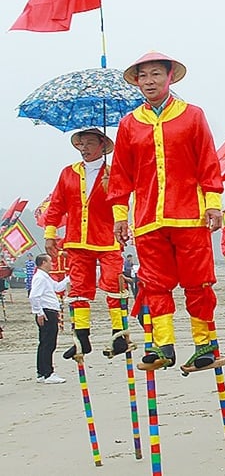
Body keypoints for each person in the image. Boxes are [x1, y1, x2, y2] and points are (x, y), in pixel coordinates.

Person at [108, 51, 225, 372]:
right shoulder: (130, 124)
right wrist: (120, 215)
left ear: (169, 76)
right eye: (143, 76)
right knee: (155, 285)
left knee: (198, 282)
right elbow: (121, 175)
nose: (149, 81)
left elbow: (208, 162)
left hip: (190, 215)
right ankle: (163, 346)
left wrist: (213, 203)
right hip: (147, 220)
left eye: (155, 74)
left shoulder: (192, 116)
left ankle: (204, 345)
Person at [43, 128, 131, 360]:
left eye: (90, 143)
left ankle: (119, 334)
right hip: (76, 240)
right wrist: (50, 234)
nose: (84, 148)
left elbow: (122, 202)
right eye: (81, 144)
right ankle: (81, 337)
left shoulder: (114, 173)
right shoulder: (68, 173)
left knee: (115, 285)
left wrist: (111, 187)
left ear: (102, 146)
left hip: (106, 239)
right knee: (79, 289)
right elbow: (56, 206)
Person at [29, 253, 69, 384]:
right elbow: (34, 296)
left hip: (50, 311)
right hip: (46, 312)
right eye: (50, 262)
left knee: (45, 343)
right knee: (48, 343)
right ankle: (48, 373)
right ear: (43, 263)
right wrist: (38, 312)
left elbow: (57, 287)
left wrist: (69, 278)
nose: (52, 264)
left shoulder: (46, 277)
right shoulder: (39, 277)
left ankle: (41, 372)